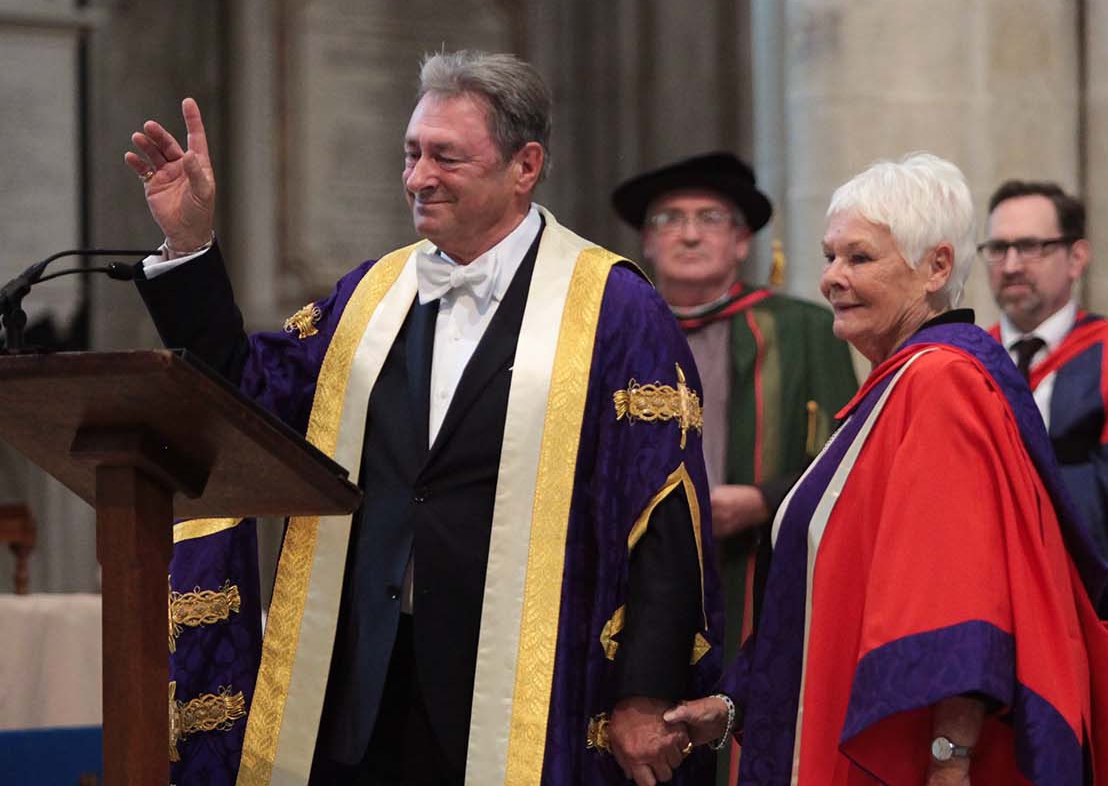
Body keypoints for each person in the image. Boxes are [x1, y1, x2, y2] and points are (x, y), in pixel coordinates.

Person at [129, 51, 719, 785]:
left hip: (528, 693)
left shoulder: (614, 307)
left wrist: (644, 694)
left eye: (446, 156)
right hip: (368, 685)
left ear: (524, 166)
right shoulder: (374, 293)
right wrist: (189, 247)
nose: (417, 177)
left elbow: (663, 514)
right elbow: (247, 392)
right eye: (411, 153)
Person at [661, 153, 1108, 786]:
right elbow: (838, 595)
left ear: (937, 267)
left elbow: (961, 596)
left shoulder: (940, 384)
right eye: (830, 256)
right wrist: (733, 705)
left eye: (859, 259)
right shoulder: (894, 389)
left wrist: (949, 759)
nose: (831, 278)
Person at [611, 152, 858, 679]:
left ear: (742, 241)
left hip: (762, 564)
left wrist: (763, 500)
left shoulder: (806, 331)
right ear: (648, 242)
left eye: (711, 218)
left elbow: (850, 457)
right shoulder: (612, 332)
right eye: (670, 219)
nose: (690, 234)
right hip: (633, 576)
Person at [980, 180, 1108, 785]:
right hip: (988, 624)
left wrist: (1008, 490)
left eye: (1031, 246)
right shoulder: (961, 362)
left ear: (1077, 256)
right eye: (996, 249)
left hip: (1090, 621)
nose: (1012, 264)